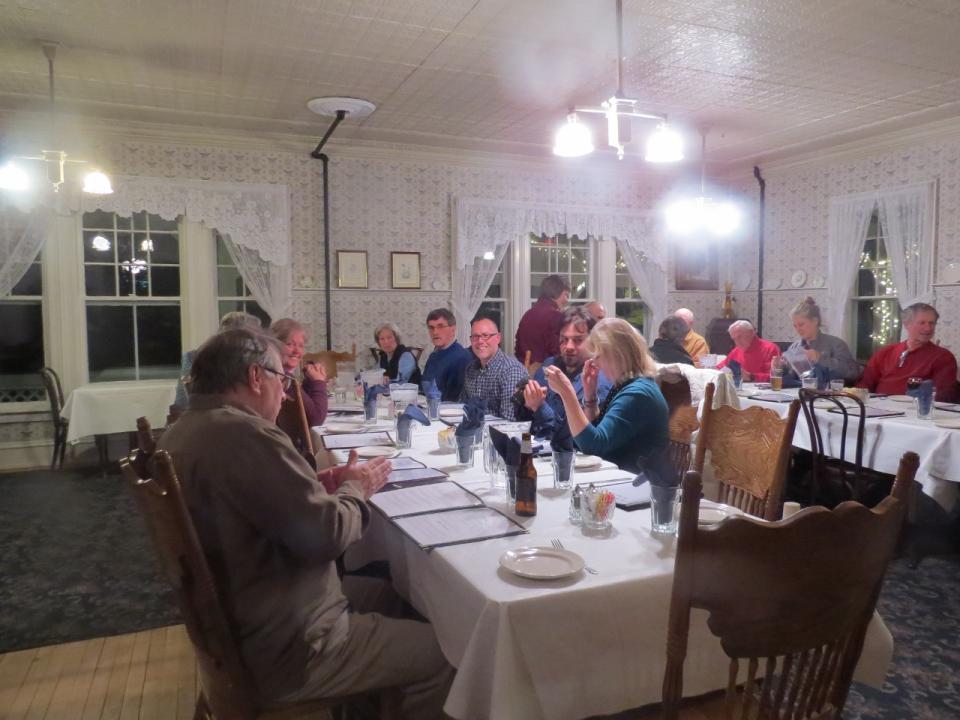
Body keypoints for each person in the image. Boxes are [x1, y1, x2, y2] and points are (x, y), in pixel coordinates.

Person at [157, 328, 453, 718]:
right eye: (282, 379)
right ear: (254, 376)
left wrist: (315, 484)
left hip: (245, 615)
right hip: (292, 643)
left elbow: (253, 506)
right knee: (444, 654)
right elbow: (326, 537)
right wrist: (353, 489)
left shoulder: (182, 433)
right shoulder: (247, 435)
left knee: (396, 592)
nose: (285, 391)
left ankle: (366, 703)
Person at [544, 318, 670, 480]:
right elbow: (589, 437)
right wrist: (590, 397)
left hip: (639, 488)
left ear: (616, 355)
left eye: (597, 356)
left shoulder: (638, 394)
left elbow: (594, 446)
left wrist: (567, 393)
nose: (594, 362)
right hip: (619, 478)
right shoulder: (629, 385)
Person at [518, 307, 613, 440]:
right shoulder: (549, 365)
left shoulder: (597, 378)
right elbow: (527, 424)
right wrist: (525, 402)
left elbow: (574, 438)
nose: (569, 347)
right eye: (564, 339)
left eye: (578, 340)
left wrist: (540, 407)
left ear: (593, 341)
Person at [858, 303, 958, 402]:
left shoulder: (943, 357)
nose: (928, 328)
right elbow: (865, 384)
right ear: (907, 324)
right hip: (879, 407)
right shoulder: (885, 352)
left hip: (915, 411)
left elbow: (942, 396)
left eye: (931, 323)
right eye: (922, 323)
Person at [173, 310, 263, 410]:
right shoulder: (194, 357)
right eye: (254, 337)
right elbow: (182, 403)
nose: (259, 343)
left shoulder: (256, 360)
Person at [462, 315, 528, 420]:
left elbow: (510, 421)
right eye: (475, 336)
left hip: (500, 434)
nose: (480, 341)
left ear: (498, 338)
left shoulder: (511, 370)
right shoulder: (470, 369)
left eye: (485, 335)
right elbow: (464, 408)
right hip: (474, 432)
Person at [784, 296, 860, 383]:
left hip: (830, 394)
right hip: (799, 393)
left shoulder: (836, 344)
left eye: (801, 325)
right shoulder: (794, 347)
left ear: (815, 321)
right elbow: (791, 378)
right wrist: (782, 368)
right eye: (795, 326)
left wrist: (820, 358)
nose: (797, 329)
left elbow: (852, 373)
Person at [270, 318, 328, 426]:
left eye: (301, 345)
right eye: (290, 344)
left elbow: (302, 406)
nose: (297, 351)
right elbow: (316, 418)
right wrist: (319, 382)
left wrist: (310, 381)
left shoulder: (282, 374)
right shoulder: (281, 378)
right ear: (274, 345)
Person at [514, 274, 570, 365]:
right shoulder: (555, 316)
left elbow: (518, 348)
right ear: (556, 293)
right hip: (545, 373)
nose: (567, 300)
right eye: (566, 295)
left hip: (523, 372)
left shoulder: (527, 314)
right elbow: (556, 351)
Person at [421, 308, 473, 401]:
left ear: (453, 329)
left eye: (440, 326)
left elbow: (454, 401)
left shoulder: (461, 358)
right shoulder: (434, 355)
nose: (435, 332)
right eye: (431, 327)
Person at [717, 320, 781, 382]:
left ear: (751, 332)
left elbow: (776, 377)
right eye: (734, 339)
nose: (737, 342)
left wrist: (751, 377)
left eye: (739, 337)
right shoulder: (736, 351)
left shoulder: (770, 349)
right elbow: (721, 367)